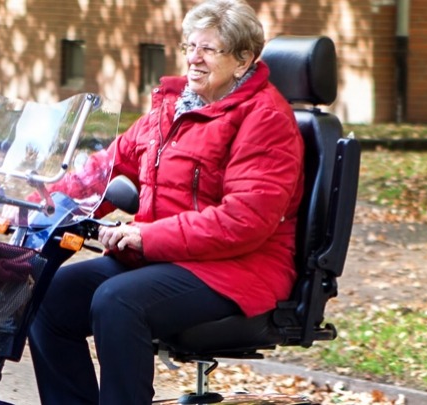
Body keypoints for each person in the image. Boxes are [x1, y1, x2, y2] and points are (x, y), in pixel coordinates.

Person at [26, 0, 303, 402]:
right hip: (168, 258)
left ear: (243, 61)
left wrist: (146, 236)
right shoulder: (170, 110)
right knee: (50, 296)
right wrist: (44, 201)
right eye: (190, 46)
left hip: (239, 268)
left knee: (118, 300)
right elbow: (106, 168)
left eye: (209, 50)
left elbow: (244, 220)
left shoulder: (265, 119)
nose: (194, 58)